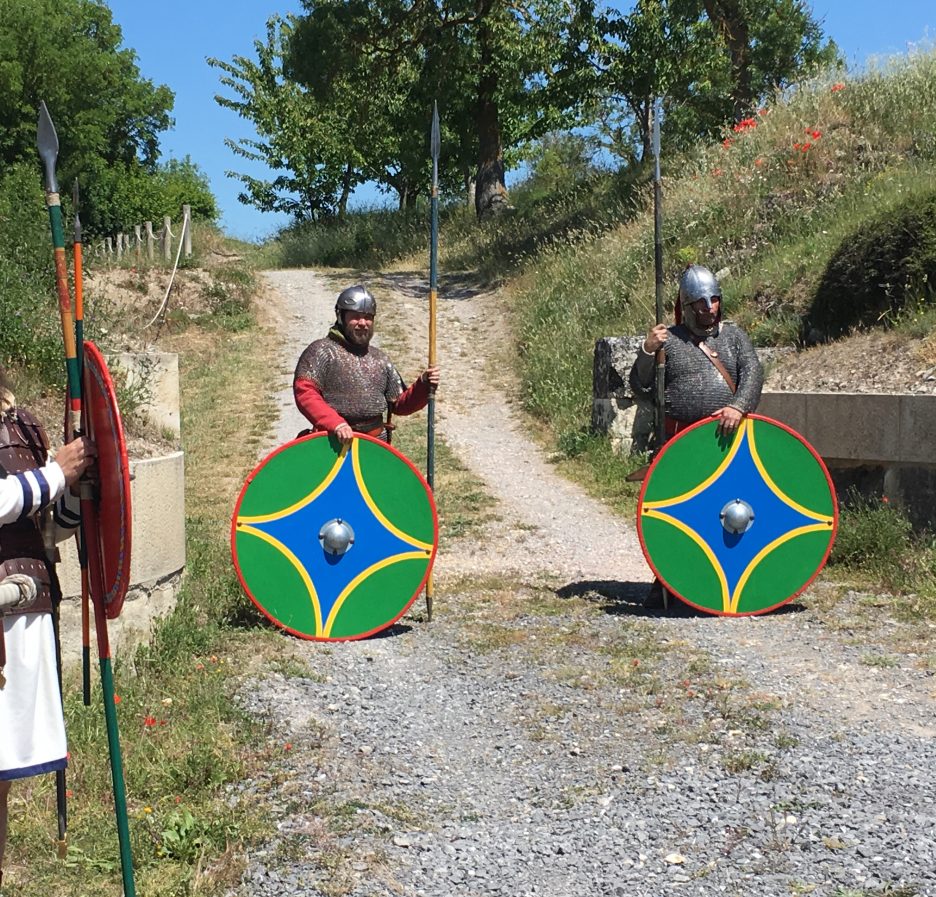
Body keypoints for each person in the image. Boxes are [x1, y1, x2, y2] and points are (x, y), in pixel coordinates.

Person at [0, 382, 95, 890]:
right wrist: (57, 471)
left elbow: (48, 525)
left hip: (21, 612)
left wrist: (80, 487)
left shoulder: (20, 421)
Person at [629, 264, 764, 607]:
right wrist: (647, 351)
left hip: (725, 442)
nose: (710, 308)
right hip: (680, 442)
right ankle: (668, 579)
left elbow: (752, 372)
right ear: (686, 306)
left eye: (714, 300)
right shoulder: (667, 341)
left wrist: (739, 406)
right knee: (676, 514)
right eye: (702, 302)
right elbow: (640, 385)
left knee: (726, 514)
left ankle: (726, 580)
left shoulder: (733, 337)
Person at [293, 284, 440, 445]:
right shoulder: (321, 351)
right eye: (355, 316)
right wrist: (335, 423)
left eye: (368, 317)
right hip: (332, 444)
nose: (363, 322)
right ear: (341, 316)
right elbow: (305, 392)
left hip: (374, 445)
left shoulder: (379, 358)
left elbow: (399, 404)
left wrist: (424, 384)